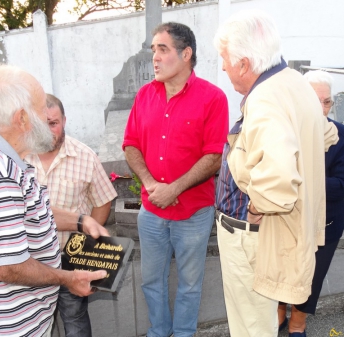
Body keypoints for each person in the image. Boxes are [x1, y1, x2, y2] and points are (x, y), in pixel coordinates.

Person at [0, 64, 109, 337]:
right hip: (7, 328)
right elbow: (7, 267)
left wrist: (81, 220)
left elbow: (33, 211)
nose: (48, 115)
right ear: (22, 118)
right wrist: (68, 279)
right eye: (42, 107)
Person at [213, 10, 339, 337]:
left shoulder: (266, 98)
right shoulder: (294, 81)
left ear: (244, 63)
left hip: (251, 234)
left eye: (225, 59)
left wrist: (257, 206)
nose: (223, 66)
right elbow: (327, 134)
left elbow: (278, 184)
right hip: (265, 233)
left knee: (252, 328)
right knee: (261, 324)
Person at [123, 22, 229, 336]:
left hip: (194, 213)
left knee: (190, 284)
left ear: (186, 54)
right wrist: (150, 183)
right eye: (153, 49)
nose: (154, 57)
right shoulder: (144, 95)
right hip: (152, 211)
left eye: (162, 49)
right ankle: (159, 331)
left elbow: (214, 157)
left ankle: (183, 333)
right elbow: (130, 144)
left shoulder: (213, 98)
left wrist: (175, 189)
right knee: (150, 281)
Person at [26, 94, 117, 337]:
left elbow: (103, 200)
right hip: (28, 262)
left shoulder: (85, 156)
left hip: (70, 257)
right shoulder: (18, 157)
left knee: (75, 322)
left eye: (53, 123)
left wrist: (88, 249)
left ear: (64, 120)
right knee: (31, 325)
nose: (47, 131)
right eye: (41, 124)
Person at [277, 70, 344, 335]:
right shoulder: (286, 132)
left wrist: (304, 181)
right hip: (288, 217)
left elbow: (341, 186)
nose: (321, 107)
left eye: (326, 101)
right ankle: (280, 312)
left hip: (327, 220)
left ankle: (298, 321)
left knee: (313, 275)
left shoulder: (340, 136)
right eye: (315, 99)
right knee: (284, 267)